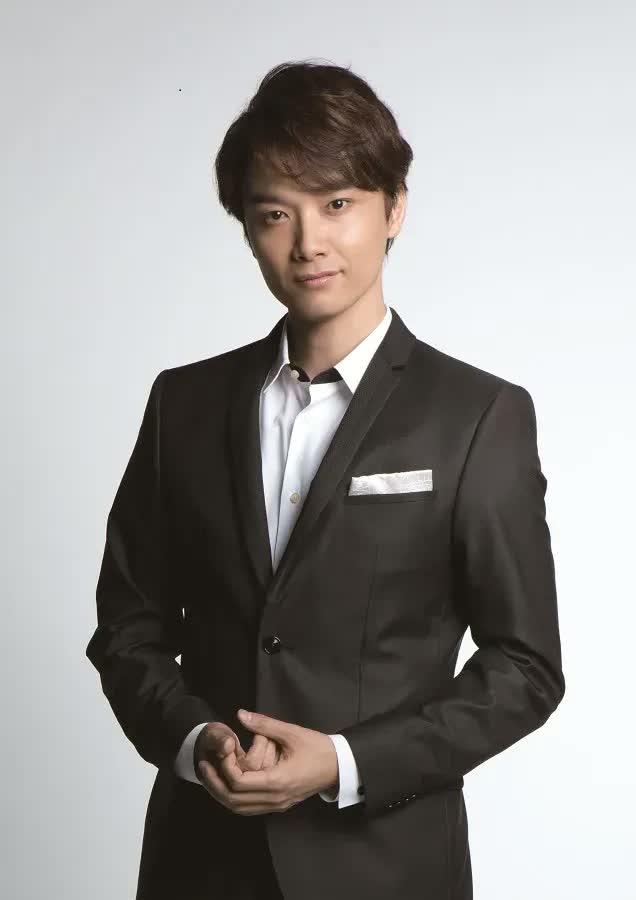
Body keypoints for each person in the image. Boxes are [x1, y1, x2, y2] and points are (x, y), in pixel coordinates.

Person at [86, 60, 565, 900]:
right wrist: (194, 740)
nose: (308, 242)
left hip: (387, 867)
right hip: (200, 864)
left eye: (337, 204)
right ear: (247, 229)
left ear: (395, 208)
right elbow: (129, 625)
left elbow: (525, 666)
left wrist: (345, 762)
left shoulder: (478, 416)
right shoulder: (182, 405)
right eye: (276, 213)